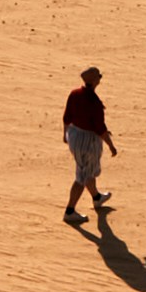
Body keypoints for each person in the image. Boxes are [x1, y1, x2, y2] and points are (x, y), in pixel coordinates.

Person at [61, 63, 111, 230]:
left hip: (74, 135)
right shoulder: (94, 102)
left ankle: (96, 197)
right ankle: (70, 211)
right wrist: (111, 146)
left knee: (87, 169)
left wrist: (65, 134)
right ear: (94, 81)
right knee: (81, 176)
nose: (100, 78)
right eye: (99, 76)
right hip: (87, 140)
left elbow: (66, 117)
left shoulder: (74, 93)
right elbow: (99, 128)